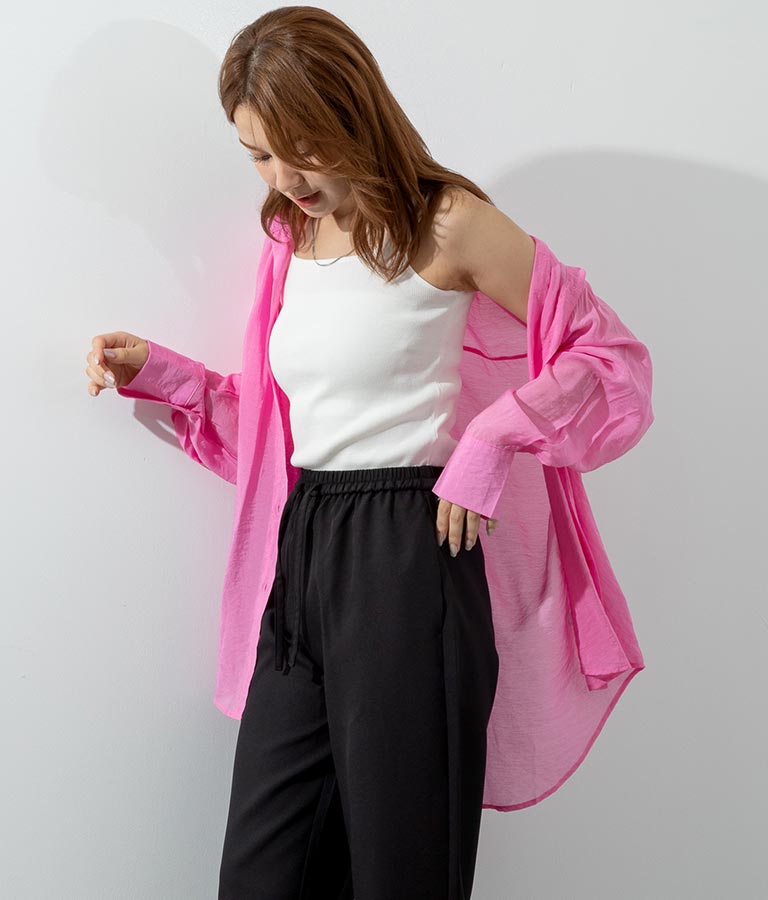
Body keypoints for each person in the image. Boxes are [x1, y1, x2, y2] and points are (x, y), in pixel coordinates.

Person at [83, 7, 654, 899]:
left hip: (409, 555)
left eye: (301, 148)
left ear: (351, 112)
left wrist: (492, 440)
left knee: (401, 873)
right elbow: (283, 431)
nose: (285, 178)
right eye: (258, 155)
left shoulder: (448, 223)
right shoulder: (290, 239)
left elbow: (608, 357)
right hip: (304, 548)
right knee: (262, 875)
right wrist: (161, 373)